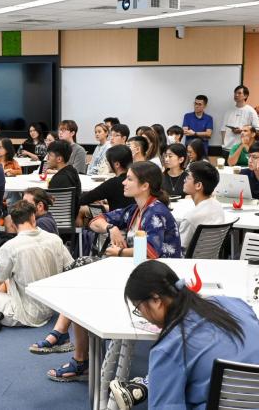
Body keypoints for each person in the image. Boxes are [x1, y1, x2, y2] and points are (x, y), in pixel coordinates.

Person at [46, 162, 181, 381]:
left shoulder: (155, 212)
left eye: (129, 179)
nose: (124, 183)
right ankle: (70, 344)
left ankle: (74, 350)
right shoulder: (138, 208)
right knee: (80, 275)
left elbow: (152, 252)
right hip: (142, 271)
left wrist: (119, 253)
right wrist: (112, 228)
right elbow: (95, 221)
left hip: (158, 280)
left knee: (81, 279)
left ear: (145, 185)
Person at [109, 261, 259, 409]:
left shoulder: (169, 347)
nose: (143, 315)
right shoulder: (234, 304)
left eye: (139, 309)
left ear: (156, 300)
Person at [0, 200, 75, 328]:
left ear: (13, 224)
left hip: (25, 313)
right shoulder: (55, 239)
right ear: (33, 217)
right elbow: (71, 269)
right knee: (6, 281)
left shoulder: (10, 247)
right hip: (52, 307)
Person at [76, 145, 135, 225]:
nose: (106, 164)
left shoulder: (113, 183)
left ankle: (78, 237)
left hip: (117, 220)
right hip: (133, 218)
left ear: (116, 164)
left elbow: (84, 199)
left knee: (81, 209)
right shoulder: (136, 180)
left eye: (107, 161)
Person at [177, 161, 225, 251]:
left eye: (188, 177)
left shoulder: (191, 218)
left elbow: (179, 249)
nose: (184, 180)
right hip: (209, 260)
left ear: (198, 185)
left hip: (187, 263)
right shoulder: (217, 205)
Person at [221, 85, 259, 155]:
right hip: (227, 149)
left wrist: (242, 131)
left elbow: (258, 130)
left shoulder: (251, 111)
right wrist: (223, 143)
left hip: (242, 148)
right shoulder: (228, 111)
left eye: (239, 93)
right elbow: (223, 129)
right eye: (235, 93)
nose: (236, 95)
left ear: (245, 96)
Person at [47, 140, 82, 218]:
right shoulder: (72, 171)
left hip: (56, 220)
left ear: (59, 159)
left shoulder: (58, 179)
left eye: (50, 155)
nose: (47, 158)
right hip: (70, 219)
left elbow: (51, 205)